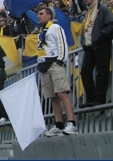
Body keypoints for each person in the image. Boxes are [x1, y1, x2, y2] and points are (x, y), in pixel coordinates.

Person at [36, 7, 78, 136]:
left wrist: (60, 60)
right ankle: (58, 124)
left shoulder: (55, 28)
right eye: (38, 14)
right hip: (44, 65)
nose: (39, 16)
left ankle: (72, 123)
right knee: (52, 96)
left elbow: (62, 44)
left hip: (54, 63)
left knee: (61, 92)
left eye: (41, 14)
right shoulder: (41, 32)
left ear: (49, 16)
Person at [79, 0, 113, 107]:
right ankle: (91, 99)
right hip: (89, 47)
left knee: (101, 72)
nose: (84, 0)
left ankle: (100, 99)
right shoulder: (88, 12)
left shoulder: (103, 9)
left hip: (101, 44)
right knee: (85, 71)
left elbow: (111, 25)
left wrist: (99, 37)